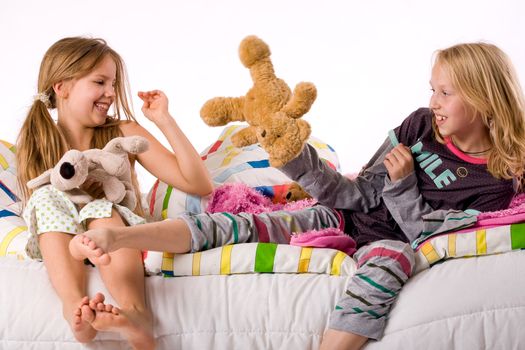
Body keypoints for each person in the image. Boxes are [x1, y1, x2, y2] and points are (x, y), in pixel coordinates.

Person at [73, 42, 525, 349]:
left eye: (445, 93)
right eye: (433, 90)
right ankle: (125, 239)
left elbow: (426, 238)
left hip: (393, 242)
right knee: (245, 224)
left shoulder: (498, 179)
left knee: (386, 269)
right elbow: (356, 192)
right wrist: (294, 156)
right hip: (342, 219)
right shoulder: (419, 125)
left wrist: (405, 185)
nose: (434, 102)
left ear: (484, 99)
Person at [17, 36, 213, 349]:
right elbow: (38, 206)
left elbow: (199, 184)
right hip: (69, 243)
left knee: (99, 210)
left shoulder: (123, 133)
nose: (110, 92)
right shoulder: (38, 140)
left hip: (116, 234)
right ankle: (74, 310)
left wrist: (164, 120)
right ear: (61, 86)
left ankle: (137, 315)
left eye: (113, 83)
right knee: (44, 199)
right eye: (100, 82)